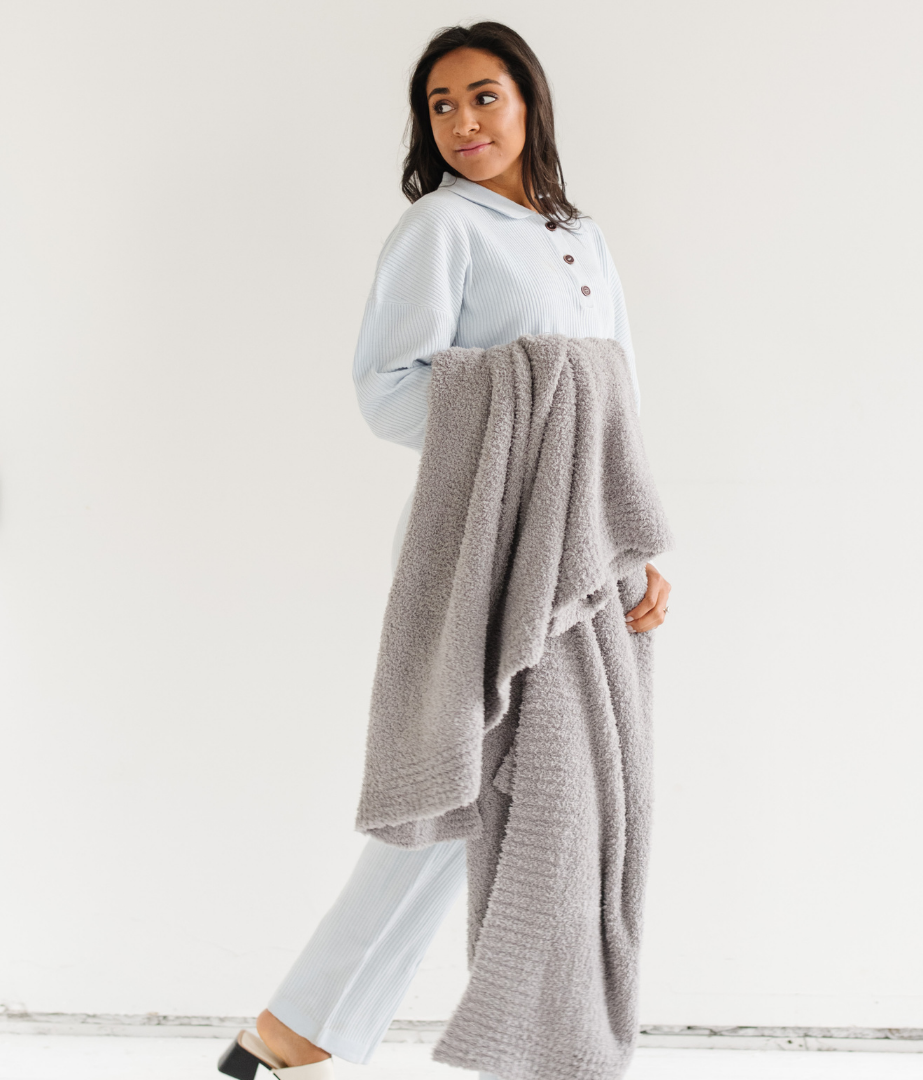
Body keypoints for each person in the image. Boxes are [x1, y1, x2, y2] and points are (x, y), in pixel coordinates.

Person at [217, 20, 672, 1080]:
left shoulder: (582, 237)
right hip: (484, 548)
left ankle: (298, 1028)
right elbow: (389, 391)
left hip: (582, 553)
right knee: (470, 779)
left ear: (530, 102)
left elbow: (616, 405)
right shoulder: (441, 228)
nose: (463, 121)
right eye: (440, 105)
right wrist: (525, 418)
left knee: (521, 787)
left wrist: (635, 548)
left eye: (483, 96)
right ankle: (321, 1027)